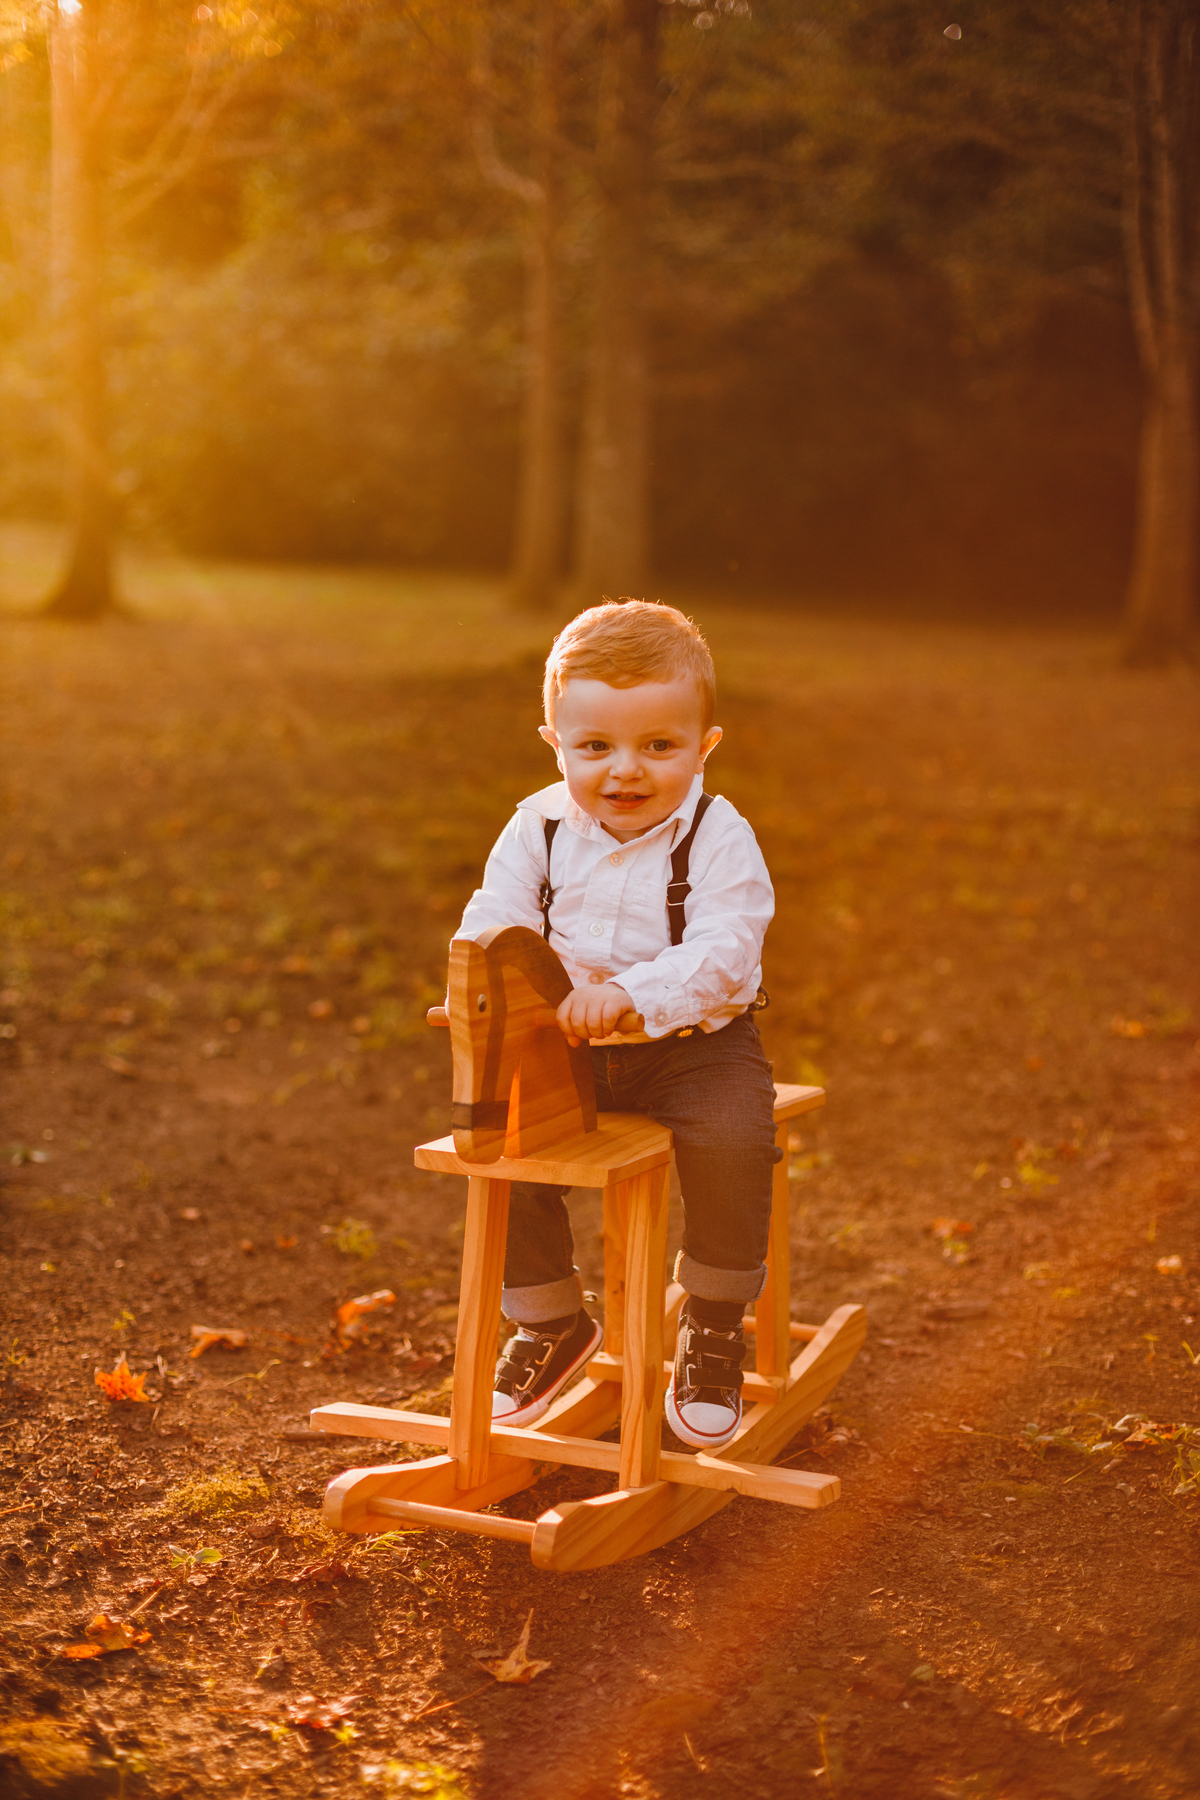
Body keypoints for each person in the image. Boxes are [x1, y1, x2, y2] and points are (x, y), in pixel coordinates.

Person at [452, 600, 778, 1451]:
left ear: (703, 746)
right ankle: (552, 1320)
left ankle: (711, 1326)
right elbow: (495, 918)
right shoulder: (537, 827)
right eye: (595, 748)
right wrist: (481, 976)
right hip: (569, 1045)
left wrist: (632, 992)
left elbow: (726, 950)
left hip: (694, 1046)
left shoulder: (717, 834)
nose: (624, 772)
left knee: (735, 1141)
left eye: (658, 747)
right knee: (507, 1137)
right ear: (556, 743)